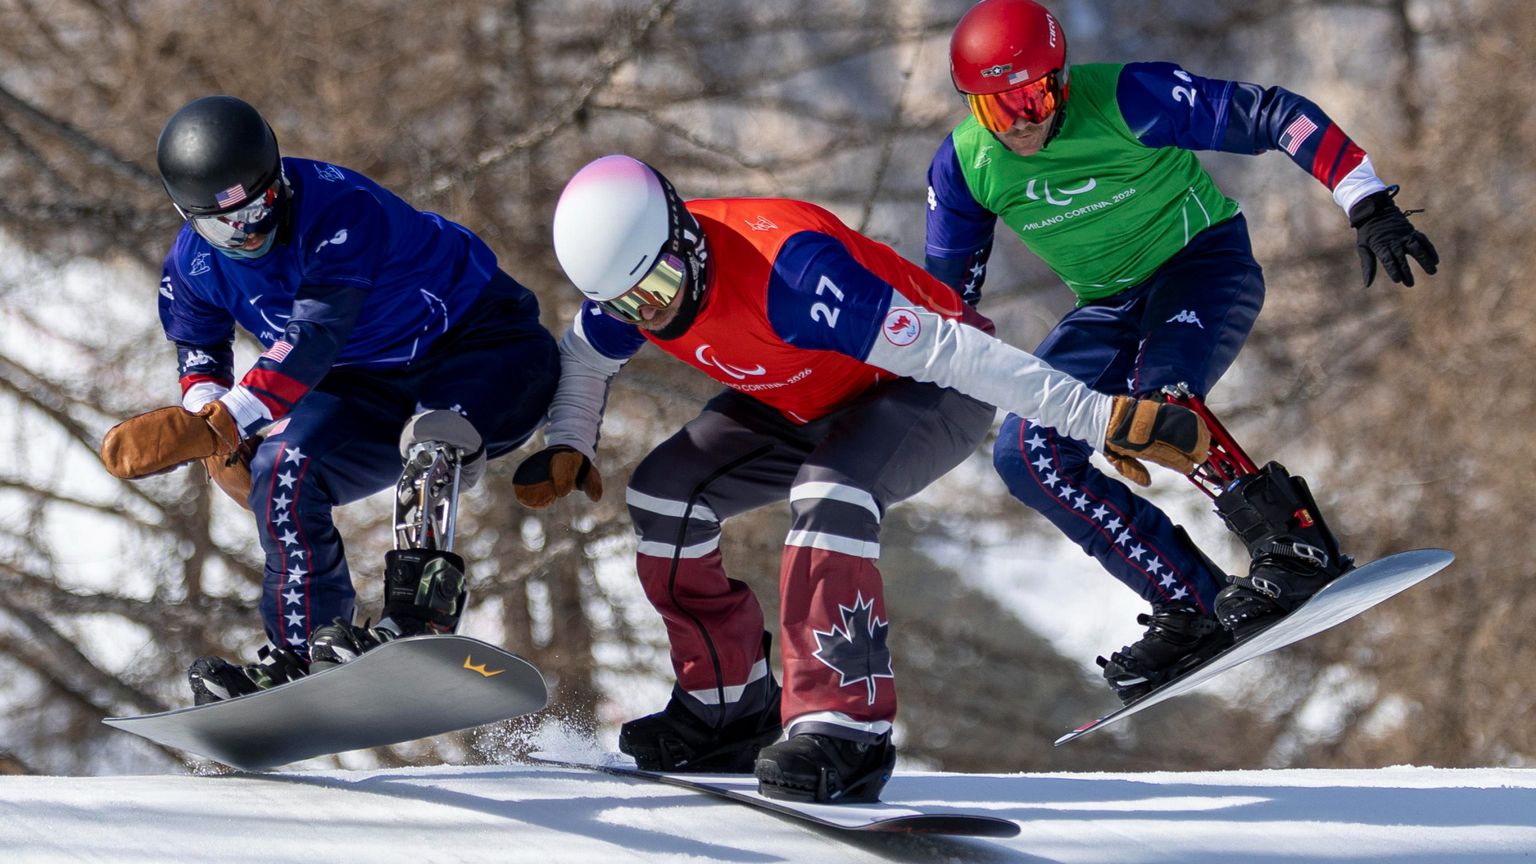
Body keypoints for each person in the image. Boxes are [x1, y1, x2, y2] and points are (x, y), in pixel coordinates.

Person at [514, 154, 1210, 803]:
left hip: (927, 386)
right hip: (802, 397)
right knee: (663, 497)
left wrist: (1098, 415)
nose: (654, 313)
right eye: (634, 307)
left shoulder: (793, 274)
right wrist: (569, 440)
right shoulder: (636, 274)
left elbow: (961, 352)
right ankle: (727, 707)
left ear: (687, 239)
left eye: (661, 289)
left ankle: (845, 729)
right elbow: (584, 354)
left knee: (831, 489)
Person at [926, 0, 1440, 703]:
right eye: (997, 108)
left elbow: (1271, 112)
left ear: (1063, 80)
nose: (1021, 121)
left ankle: (1294, 546)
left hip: (1203, 265)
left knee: (1157, 403)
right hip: (1107, 306)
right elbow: (946, 306)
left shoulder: (1132, 97)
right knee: (1026, 454)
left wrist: (1367, 200)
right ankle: (1189, 602)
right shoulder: (964, 167)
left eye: (1034, 94)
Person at [98, 96, 559, 704]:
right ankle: (303, 651)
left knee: (433, 442)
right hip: (366, 381)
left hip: (480, 344)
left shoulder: (341, 211)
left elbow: (313, 339)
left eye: (260, 207)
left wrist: (227, 420)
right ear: (188, 216)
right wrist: (208, 418)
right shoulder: (192, 266)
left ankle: (418, 618)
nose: (248, 232)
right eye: (221, 224)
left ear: (278, 180)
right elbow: (198, 345)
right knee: (280, 471)